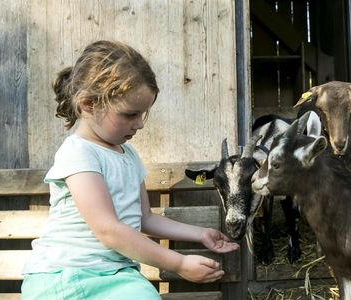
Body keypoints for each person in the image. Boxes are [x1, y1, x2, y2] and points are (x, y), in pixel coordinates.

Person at [21, 40, 239, 300]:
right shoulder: (79, 153)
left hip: (117, 275)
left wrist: (200, 234)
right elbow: (108, 230)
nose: (139, 124)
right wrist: (178, 264)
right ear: (89, 104)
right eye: (129, 114)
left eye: (143, 114)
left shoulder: (129, 156)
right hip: (66, 276)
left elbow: (145, 218)